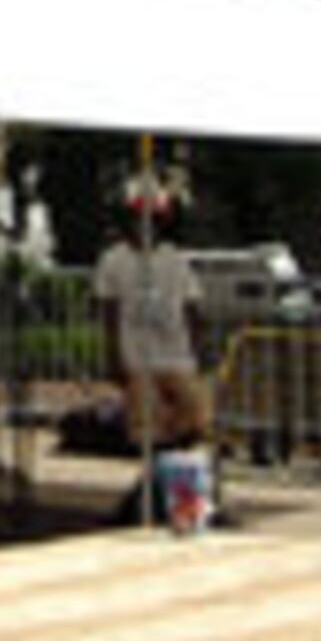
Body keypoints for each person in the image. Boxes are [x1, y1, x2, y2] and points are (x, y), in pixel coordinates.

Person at [96, 164, 211, 456]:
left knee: (198, 418)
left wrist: (198, 352)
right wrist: (113, 356)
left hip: (177, 355)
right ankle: (152, 479)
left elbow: (192, 309)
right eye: (138, 219)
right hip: (137, 356)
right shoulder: (112, 260)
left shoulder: (176, 260)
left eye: (152, 220)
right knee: (145, 427)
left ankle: (173, 464)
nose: (145, 226)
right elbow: (108, 312)